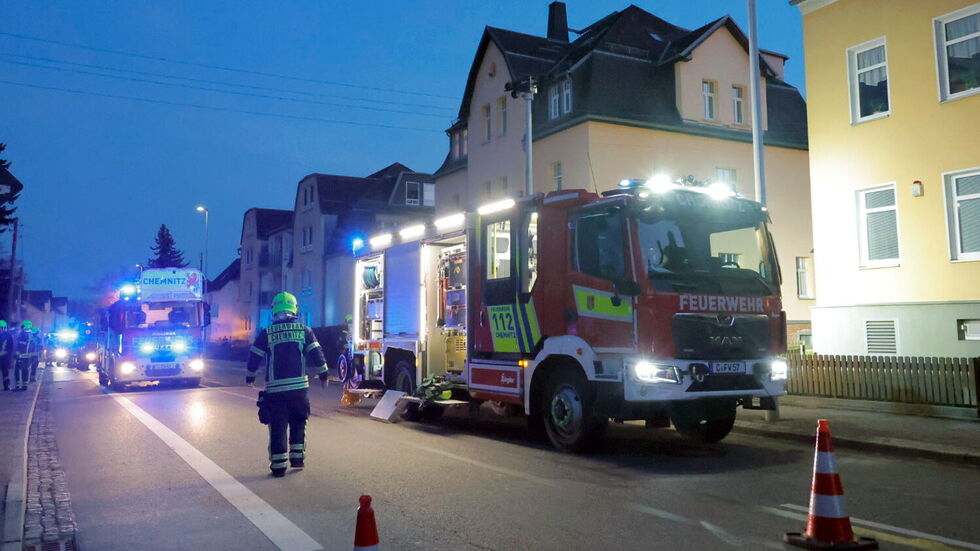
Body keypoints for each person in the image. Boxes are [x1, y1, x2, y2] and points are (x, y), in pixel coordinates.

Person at [245, 292, 328, 477]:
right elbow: (317, 354)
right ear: (295, 309)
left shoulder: (267, 333)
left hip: (276, 391)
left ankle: (278, 466)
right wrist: (324, 375)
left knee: (278, 426)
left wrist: (250, 377)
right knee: (299, 422)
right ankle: (297, 459)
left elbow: (254, 357)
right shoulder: (304, 330)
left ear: (274, 311)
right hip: (299, 390)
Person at [14, 321, 37, 391]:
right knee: (24, 371)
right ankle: (23, 386)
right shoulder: (31, 335)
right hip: (26, 356)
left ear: (24, 326)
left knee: (18, 371)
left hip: (22, 355)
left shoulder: (23, 334)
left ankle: (19, 386)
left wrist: (17, 353)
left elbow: (20, 345)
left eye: (22, 326)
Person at [0, 321, 13, 391]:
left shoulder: (7, 335)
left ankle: (6, 386)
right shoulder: (8, 335)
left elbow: (10, 347)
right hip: (5, 356)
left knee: (5, 372)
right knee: (5, 372)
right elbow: (11, 347)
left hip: (4, 357)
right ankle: (6, 386)